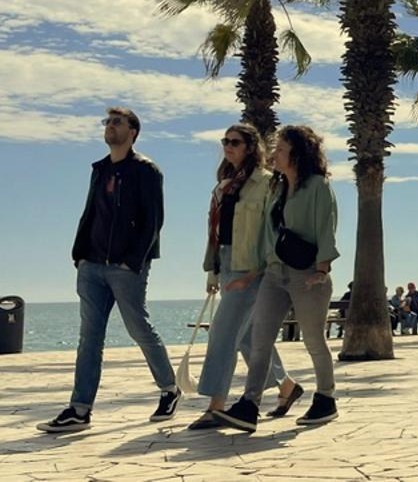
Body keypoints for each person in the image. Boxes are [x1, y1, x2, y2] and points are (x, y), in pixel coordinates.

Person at [39, 108, 177, 433]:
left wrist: (133, 261)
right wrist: (79, 255)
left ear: (133, 132)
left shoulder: (146, 170)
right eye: (107, 122)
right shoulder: (100, 169)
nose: (109, 127)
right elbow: (90, 212)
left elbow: (153, 220)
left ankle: (170, 389)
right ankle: (79, 409)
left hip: (125, 268)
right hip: (91, 265)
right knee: (89, 337)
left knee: (138, 328)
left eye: (117, 122)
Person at [212, 125, 339, 433]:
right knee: (260, 341)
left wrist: (321, 271)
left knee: (313, 340)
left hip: (307, 275)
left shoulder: (318, 186)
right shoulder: (277, 188)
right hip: (273, 274)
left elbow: (327, 229)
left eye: (281, 149)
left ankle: (326, 399)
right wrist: (252, 274)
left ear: (297, 153)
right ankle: (249, 406)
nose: (274, 154)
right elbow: (269, 237)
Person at [188, 124, 301, 430]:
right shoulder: (224, 185)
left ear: (251, 147)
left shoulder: (267, 182)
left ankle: (216, 406)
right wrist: (213, 270)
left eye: (235, 142)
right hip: (227, 263)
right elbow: (216, 232)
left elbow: (271, 231)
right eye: (225, 141)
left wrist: (255, 272)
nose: (228, 146)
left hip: (252, 268)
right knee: (247, 338)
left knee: (223, 333)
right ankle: (287, 386)